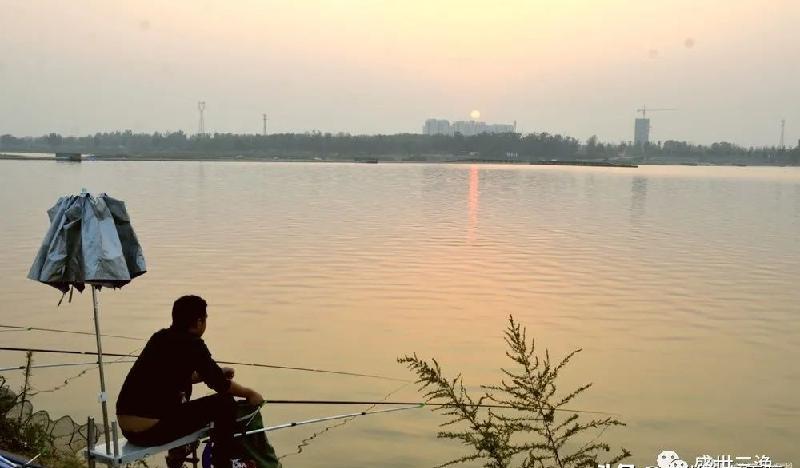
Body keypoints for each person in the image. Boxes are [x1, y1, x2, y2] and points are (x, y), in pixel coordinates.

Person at [116, 295, 264, 468]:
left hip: (128, 430)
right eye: (205, 319)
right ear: (199, 321)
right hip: (152, 431)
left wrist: (216, 372)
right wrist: (250, 393)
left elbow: (177, 375)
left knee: (185, 396)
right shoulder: (193, 345)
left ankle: (179, 454)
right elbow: (221, 386)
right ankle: (225, 462)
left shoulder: (160, 338)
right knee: (224, 403)